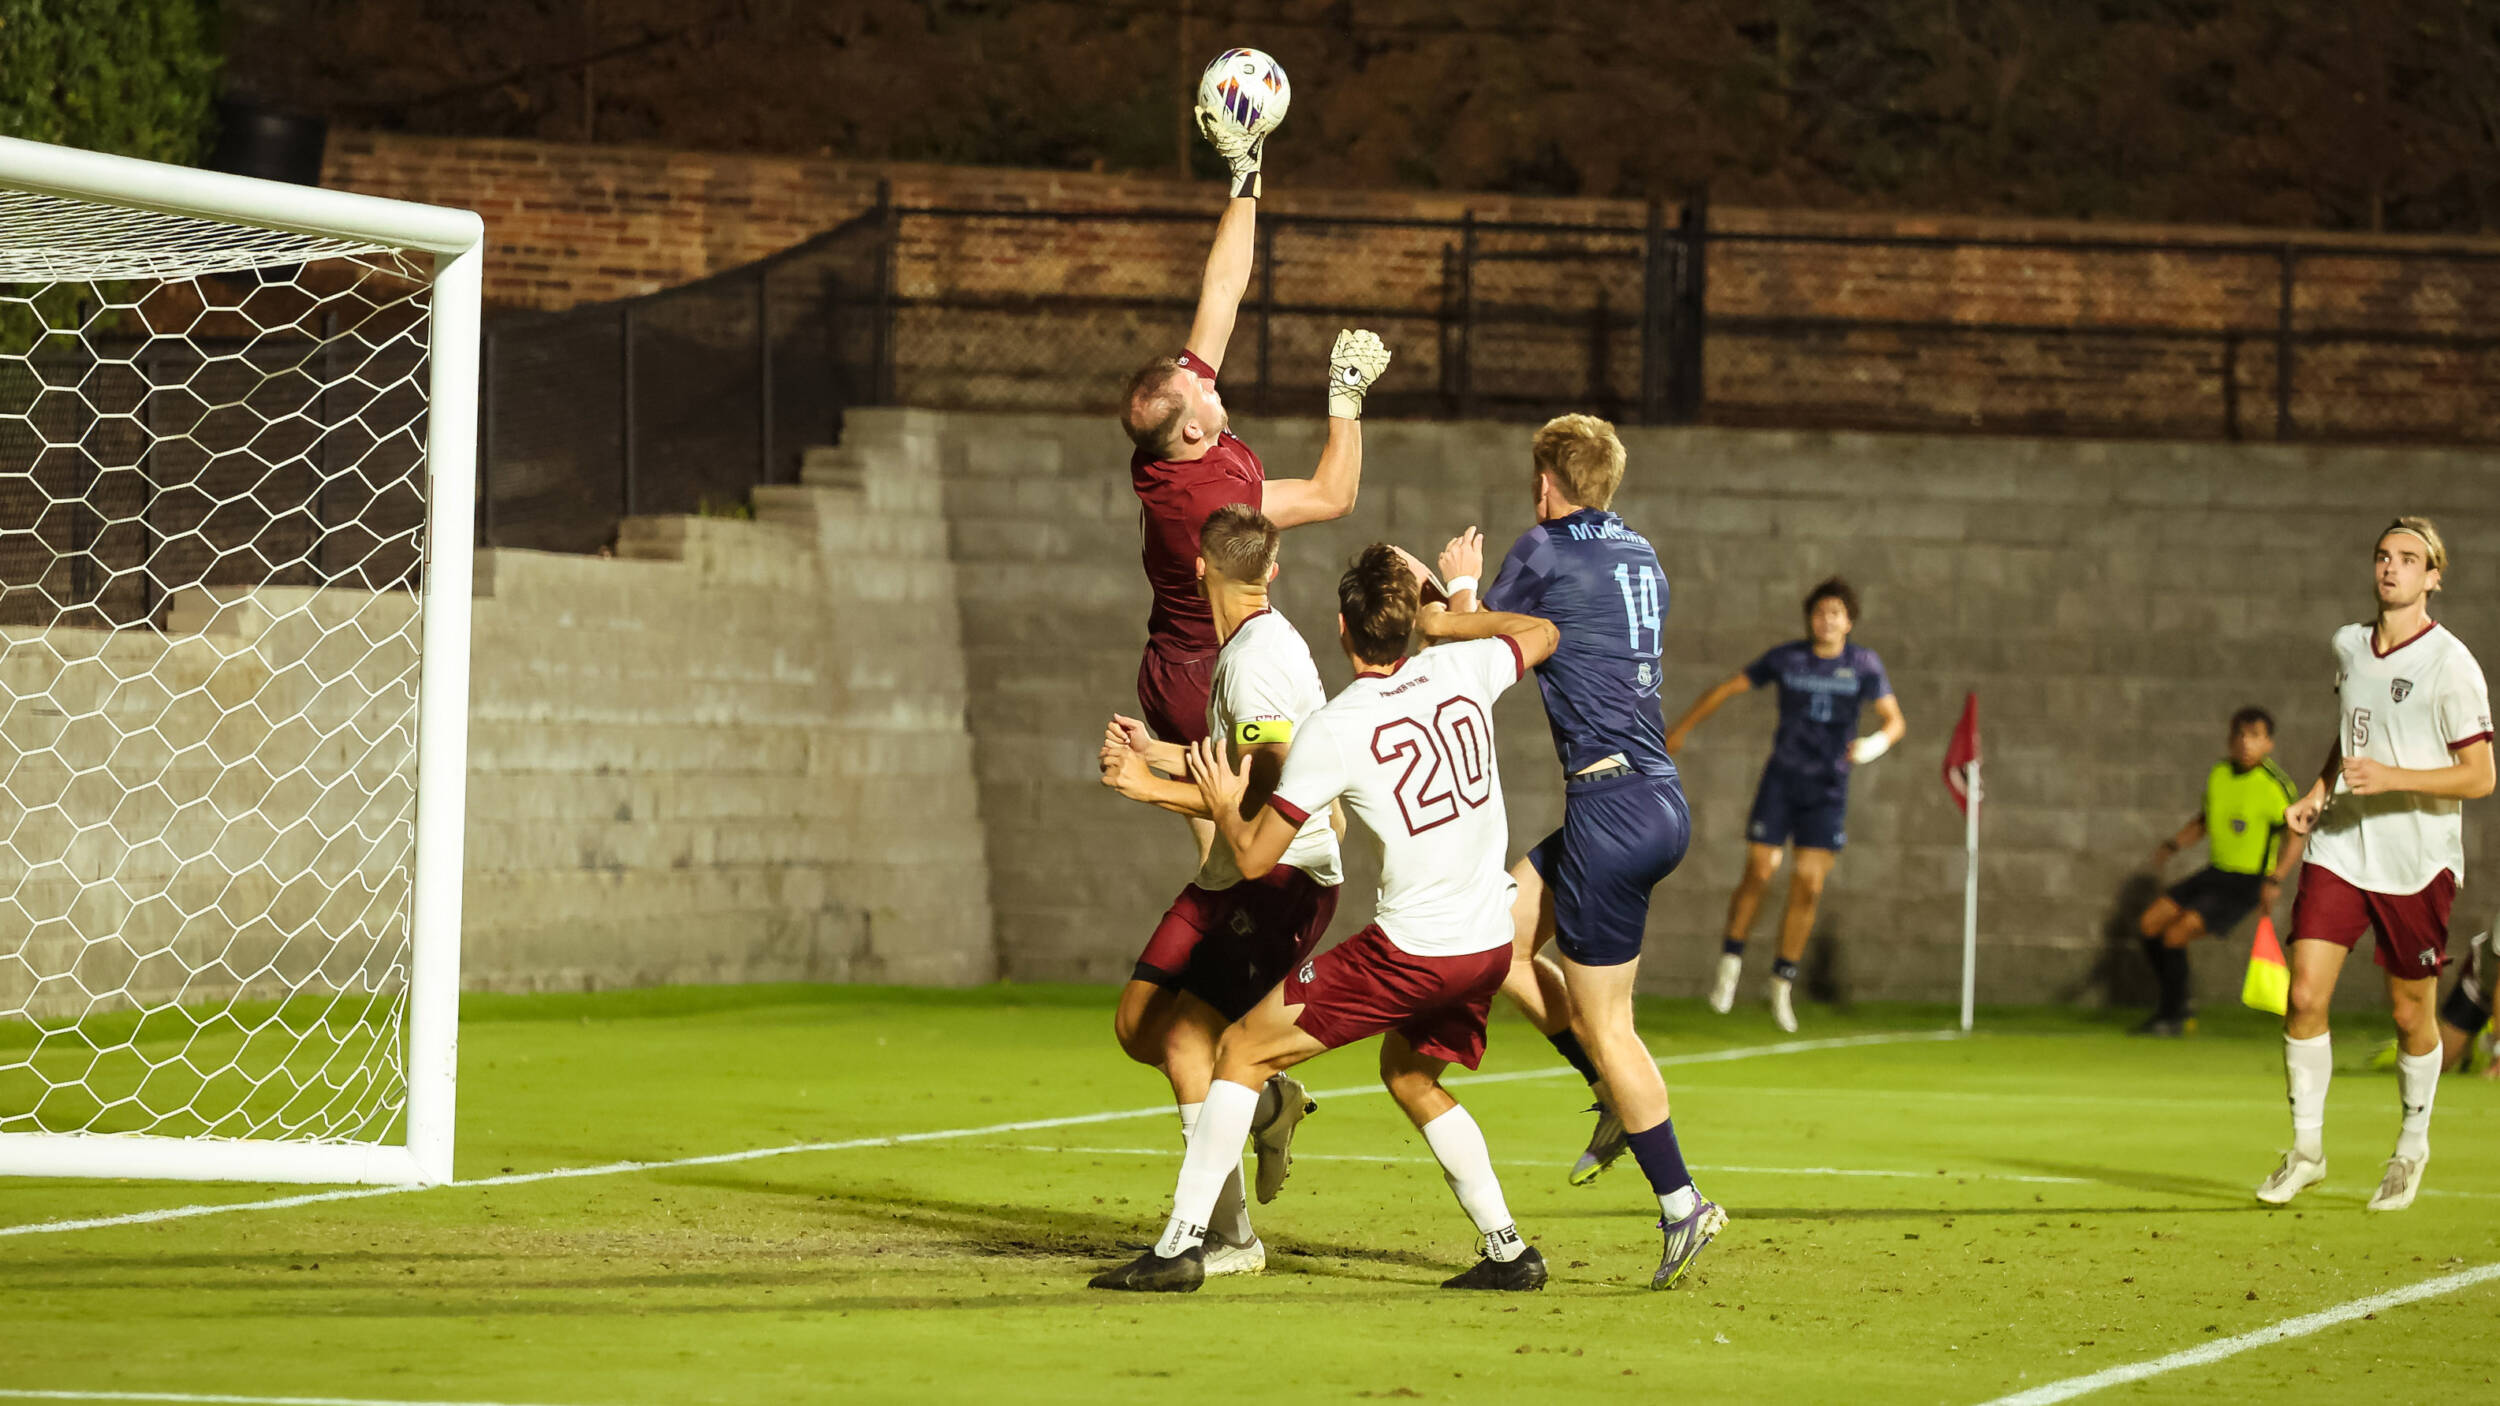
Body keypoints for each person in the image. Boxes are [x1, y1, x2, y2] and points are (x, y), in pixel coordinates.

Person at [1089, 546, 1558, 1293]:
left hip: (1414, 950)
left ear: (1342, 630)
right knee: (1408, 1075)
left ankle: (1183, 1246)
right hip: (1488, 942)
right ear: (1411, 627)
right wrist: (1451, 604)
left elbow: (1250, 859)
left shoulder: (1336, 728)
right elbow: (1541, 632)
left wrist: (1188, 793)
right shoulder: (1462, 668)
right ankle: (1509, 1252)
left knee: (1240, 1050)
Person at [1428, 413, 1726, 1288]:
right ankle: (1607, 1094)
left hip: (1607, 806)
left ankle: (1681, 1202)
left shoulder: (1547, 549)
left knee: (1611, 1024)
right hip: (1654, 793)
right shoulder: (1644, 556)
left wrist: (1456, 584)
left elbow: (1462, 636)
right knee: (1502, 935)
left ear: (1545, 481)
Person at [1119, 105, 1389, 870]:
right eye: (1196, 388)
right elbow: (1334, 496)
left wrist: (1245, 175)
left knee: (1303, 842)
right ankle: (1211, 981)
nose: (1204, 376)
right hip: (1212, 681)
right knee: (1251, 862)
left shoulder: (1174, 445)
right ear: (1194, 431)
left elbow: (1222, 291)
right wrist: (1345, 396)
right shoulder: (1214, 510)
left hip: (1195, 662)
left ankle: (1221, 976)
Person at [1097, 505, 1343, 1274]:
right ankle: (1268, 1107)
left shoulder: (1256, 662)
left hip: (1281, 878)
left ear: (1196, 569)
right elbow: (1235, 769)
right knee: (1139, 1024)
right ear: (1270, 572)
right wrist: (1163, 754)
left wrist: (1149, 788)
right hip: (1227, 876)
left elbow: (1266, 806)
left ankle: (1229, 1238)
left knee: (1185, 1043)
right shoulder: (1244, 647)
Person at [2258, 517, 2493, 1213]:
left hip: (2416, 862)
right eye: (2383, 556)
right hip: (2342, 849)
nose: (2391, 568)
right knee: (2303, 995)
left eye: (2408, 559)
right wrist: (2319, 790)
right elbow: (2353, 734)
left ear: (2433, 576)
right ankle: (2306, 1150)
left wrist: (2393, 778)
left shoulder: (2452, 665)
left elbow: (2480, 777)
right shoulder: (2348, 645)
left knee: (2407, 1012)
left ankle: (2411, 1146)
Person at [1666, 577, 1906, 1033]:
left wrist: (1871, 745)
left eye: (1836, 613)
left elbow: (1895, 722)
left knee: (1808, 884)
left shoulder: (1864, 665)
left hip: (1828, 789)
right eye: (1820, 612)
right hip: (1782, 781)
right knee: (1760, 870)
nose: (1827, 620)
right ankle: (1730, 965)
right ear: (1810, 618)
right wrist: (1681, 729)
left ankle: (1781, 983)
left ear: (1849, 621)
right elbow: (1727, 688)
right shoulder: (1787, 658)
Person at [2134, 707, 2305, 1036]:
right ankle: (2175, 1005)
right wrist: (2173, 845)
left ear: (2268, 743)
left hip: (2246, 882)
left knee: (2175, 934)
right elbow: (2204, 820)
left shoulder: (2276, 785)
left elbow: (2295, 837)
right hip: (2215, 873)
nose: (2245, 743)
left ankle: (2176, 1015)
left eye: (2254, 736)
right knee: (2149, 924)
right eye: (2239, 735)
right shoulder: (2219, 774)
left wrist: (2275, 879)